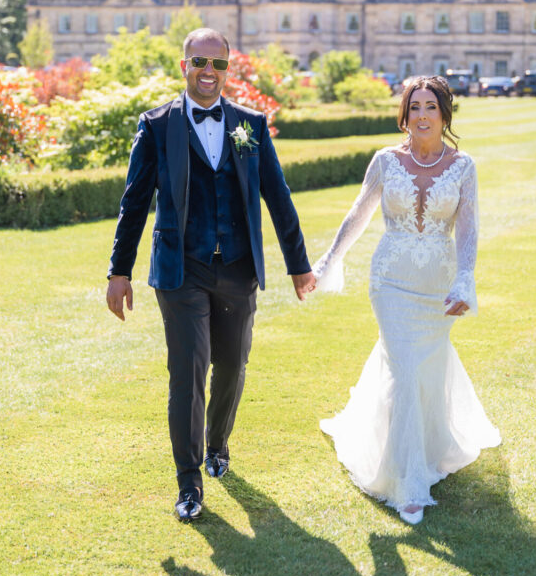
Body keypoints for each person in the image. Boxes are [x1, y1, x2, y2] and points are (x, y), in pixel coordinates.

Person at [107, 28, 315, 522]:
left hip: (238, 268)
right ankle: (189, 481)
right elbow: (135, 201)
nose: (208, 71)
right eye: (199, 61)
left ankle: (219, 443)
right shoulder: (157, 125)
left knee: (233, 364)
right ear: (184, 65)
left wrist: (299, 263)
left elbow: (278, 196)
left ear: (227, 69)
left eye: (217, 64)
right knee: (188, 371)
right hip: (181, 270)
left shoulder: (250, 125)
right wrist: (120, 271)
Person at [314, 75, 500, 525]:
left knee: (424, 369)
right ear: (404, 113)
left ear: (443, 114)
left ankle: (431, 447)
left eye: (430, 107)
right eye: (414, 106)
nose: (421, 115)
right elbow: (358, 213)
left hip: (437, 284)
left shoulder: (463, 166)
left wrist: (465, 282)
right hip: (391, 281)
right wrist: (328, 260)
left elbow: (469, 229)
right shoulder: (385, 160)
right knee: (406, 365)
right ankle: (408, 483)